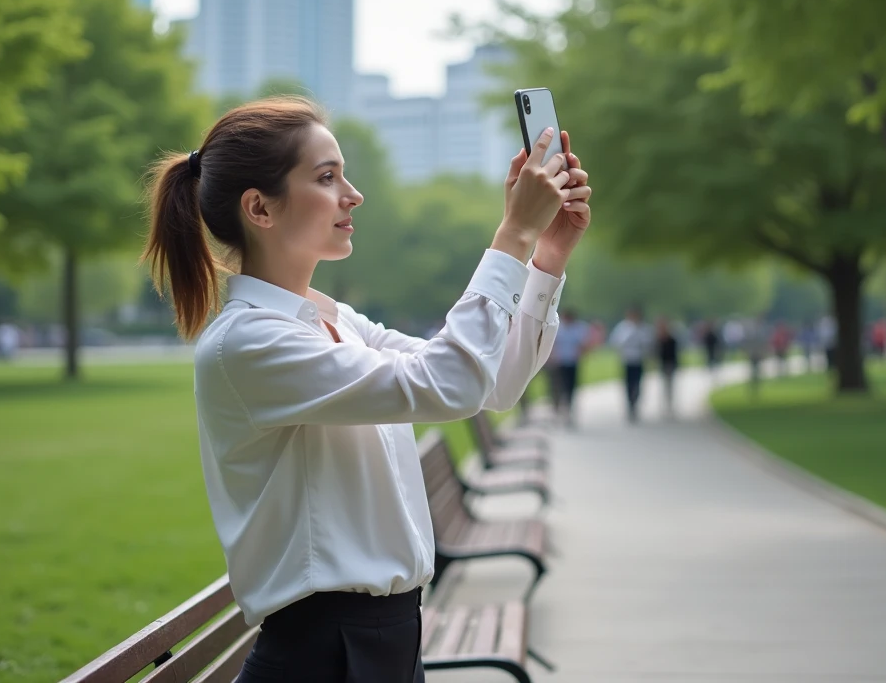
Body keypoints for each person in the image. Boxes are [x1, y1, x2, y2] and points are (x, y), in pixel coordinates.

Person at [141, 98, 592, 683]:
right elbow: (449, 383)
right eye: (327, 178)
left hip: (383, 645)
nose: (353, 195)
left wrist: (546, 258)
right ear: (259, 208)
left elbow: (491, 384)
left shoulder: (337, 321)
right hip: (325, 656)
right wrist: (514, 233)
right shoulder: (249, 342)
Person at [608, 306, 653, 423]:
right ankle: (629, 405)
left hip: (639, 360)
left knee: (637, 383)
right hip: (627, 360)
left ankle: (635, 403)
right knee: (628, 384)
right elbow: (616, 342)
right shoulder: (623, 327)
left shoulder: (644, 328)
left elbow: (648, 344)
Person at [549, 308, 591, 428]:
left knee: (570, 387)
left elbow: (584, 344)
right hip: (559, 362)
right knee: (557, 388)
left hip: (572, 362)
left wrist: (581, 353)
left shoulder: (579, 329)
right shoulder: (558, 327)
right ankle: (557, 409)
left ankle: (568, 409)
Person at [654, 317, 680, 419]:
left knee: (670, 386)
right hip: (662, 364)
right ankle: (664, 406)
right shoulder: (658, 340)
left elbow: (675, 353)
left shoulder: (672, 339)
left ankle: (670, 406)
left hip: (670, 364)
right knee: (663, 386)